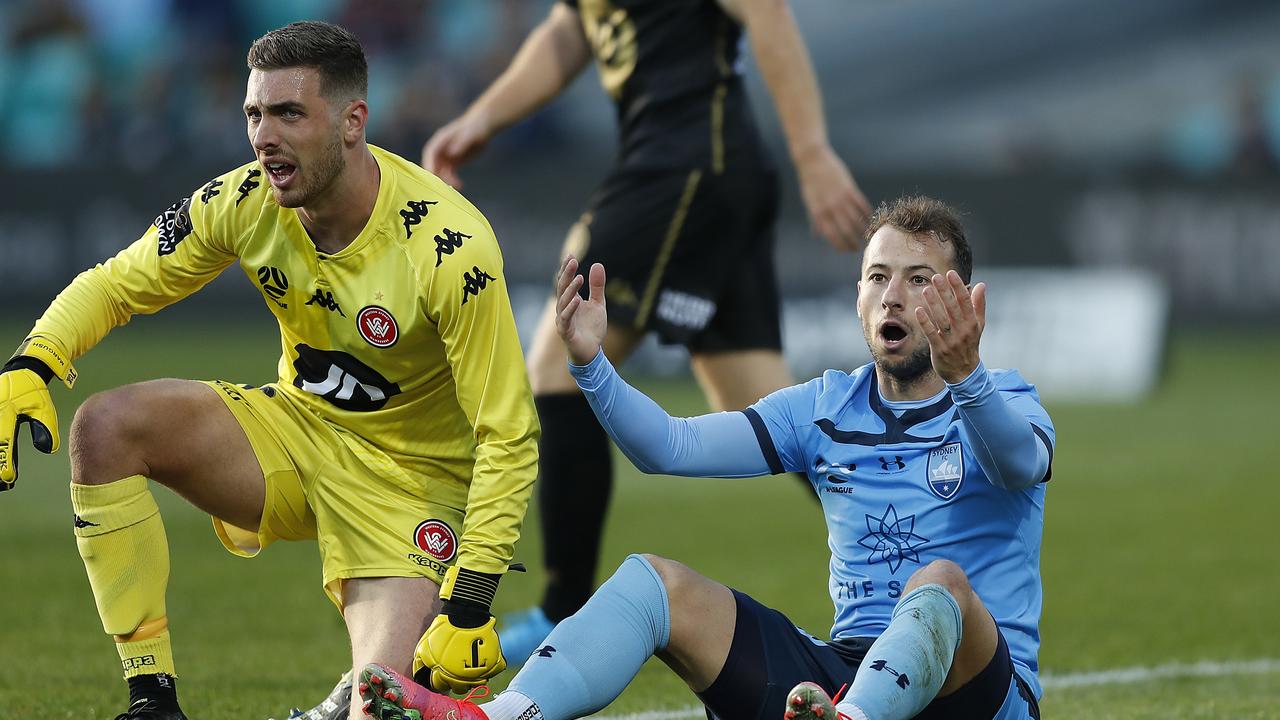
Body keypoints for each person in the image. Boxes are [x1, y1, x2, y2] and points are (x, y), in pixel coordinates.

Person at [0, 21, 538, 720]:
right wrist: (32, 361)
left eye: (288, 113)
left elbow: (508, 433)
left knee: (385, 707)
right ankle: (151, 702)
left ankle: (367, 687)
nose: (263, 136)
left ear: (353, 122)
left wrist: (469, 607)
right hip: (295, 433)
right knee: (106, 426)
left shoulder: (449, 248)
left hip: (414, 488)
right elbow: (117, 283)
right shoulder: (246, 198)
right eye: (254, 113)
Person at [355, 195, 1053, 720]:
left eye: (919, 278)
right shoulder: (822, 407)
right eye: (876, 277)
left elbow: (1018, 464)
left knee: (941, 579)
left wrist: (968, 380)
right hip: (843, 677)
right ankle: (497, 716)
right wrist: (593, 363)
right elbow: (669, 446)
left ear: (963, 298)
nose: (892, 295)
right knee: (651, 582)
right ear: (859, 298)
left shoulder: (1007, 401)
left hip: (981, 693)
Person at [420, 0, 872, 664]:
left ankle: (559, 610)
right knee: (760, 405)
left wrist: (813, 154)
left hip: (683, 164)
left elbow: (768, 13)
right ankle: (927, 542)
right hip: (703, 166)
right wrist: (484, 118)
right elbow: (571, 30)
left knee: (554, 370)